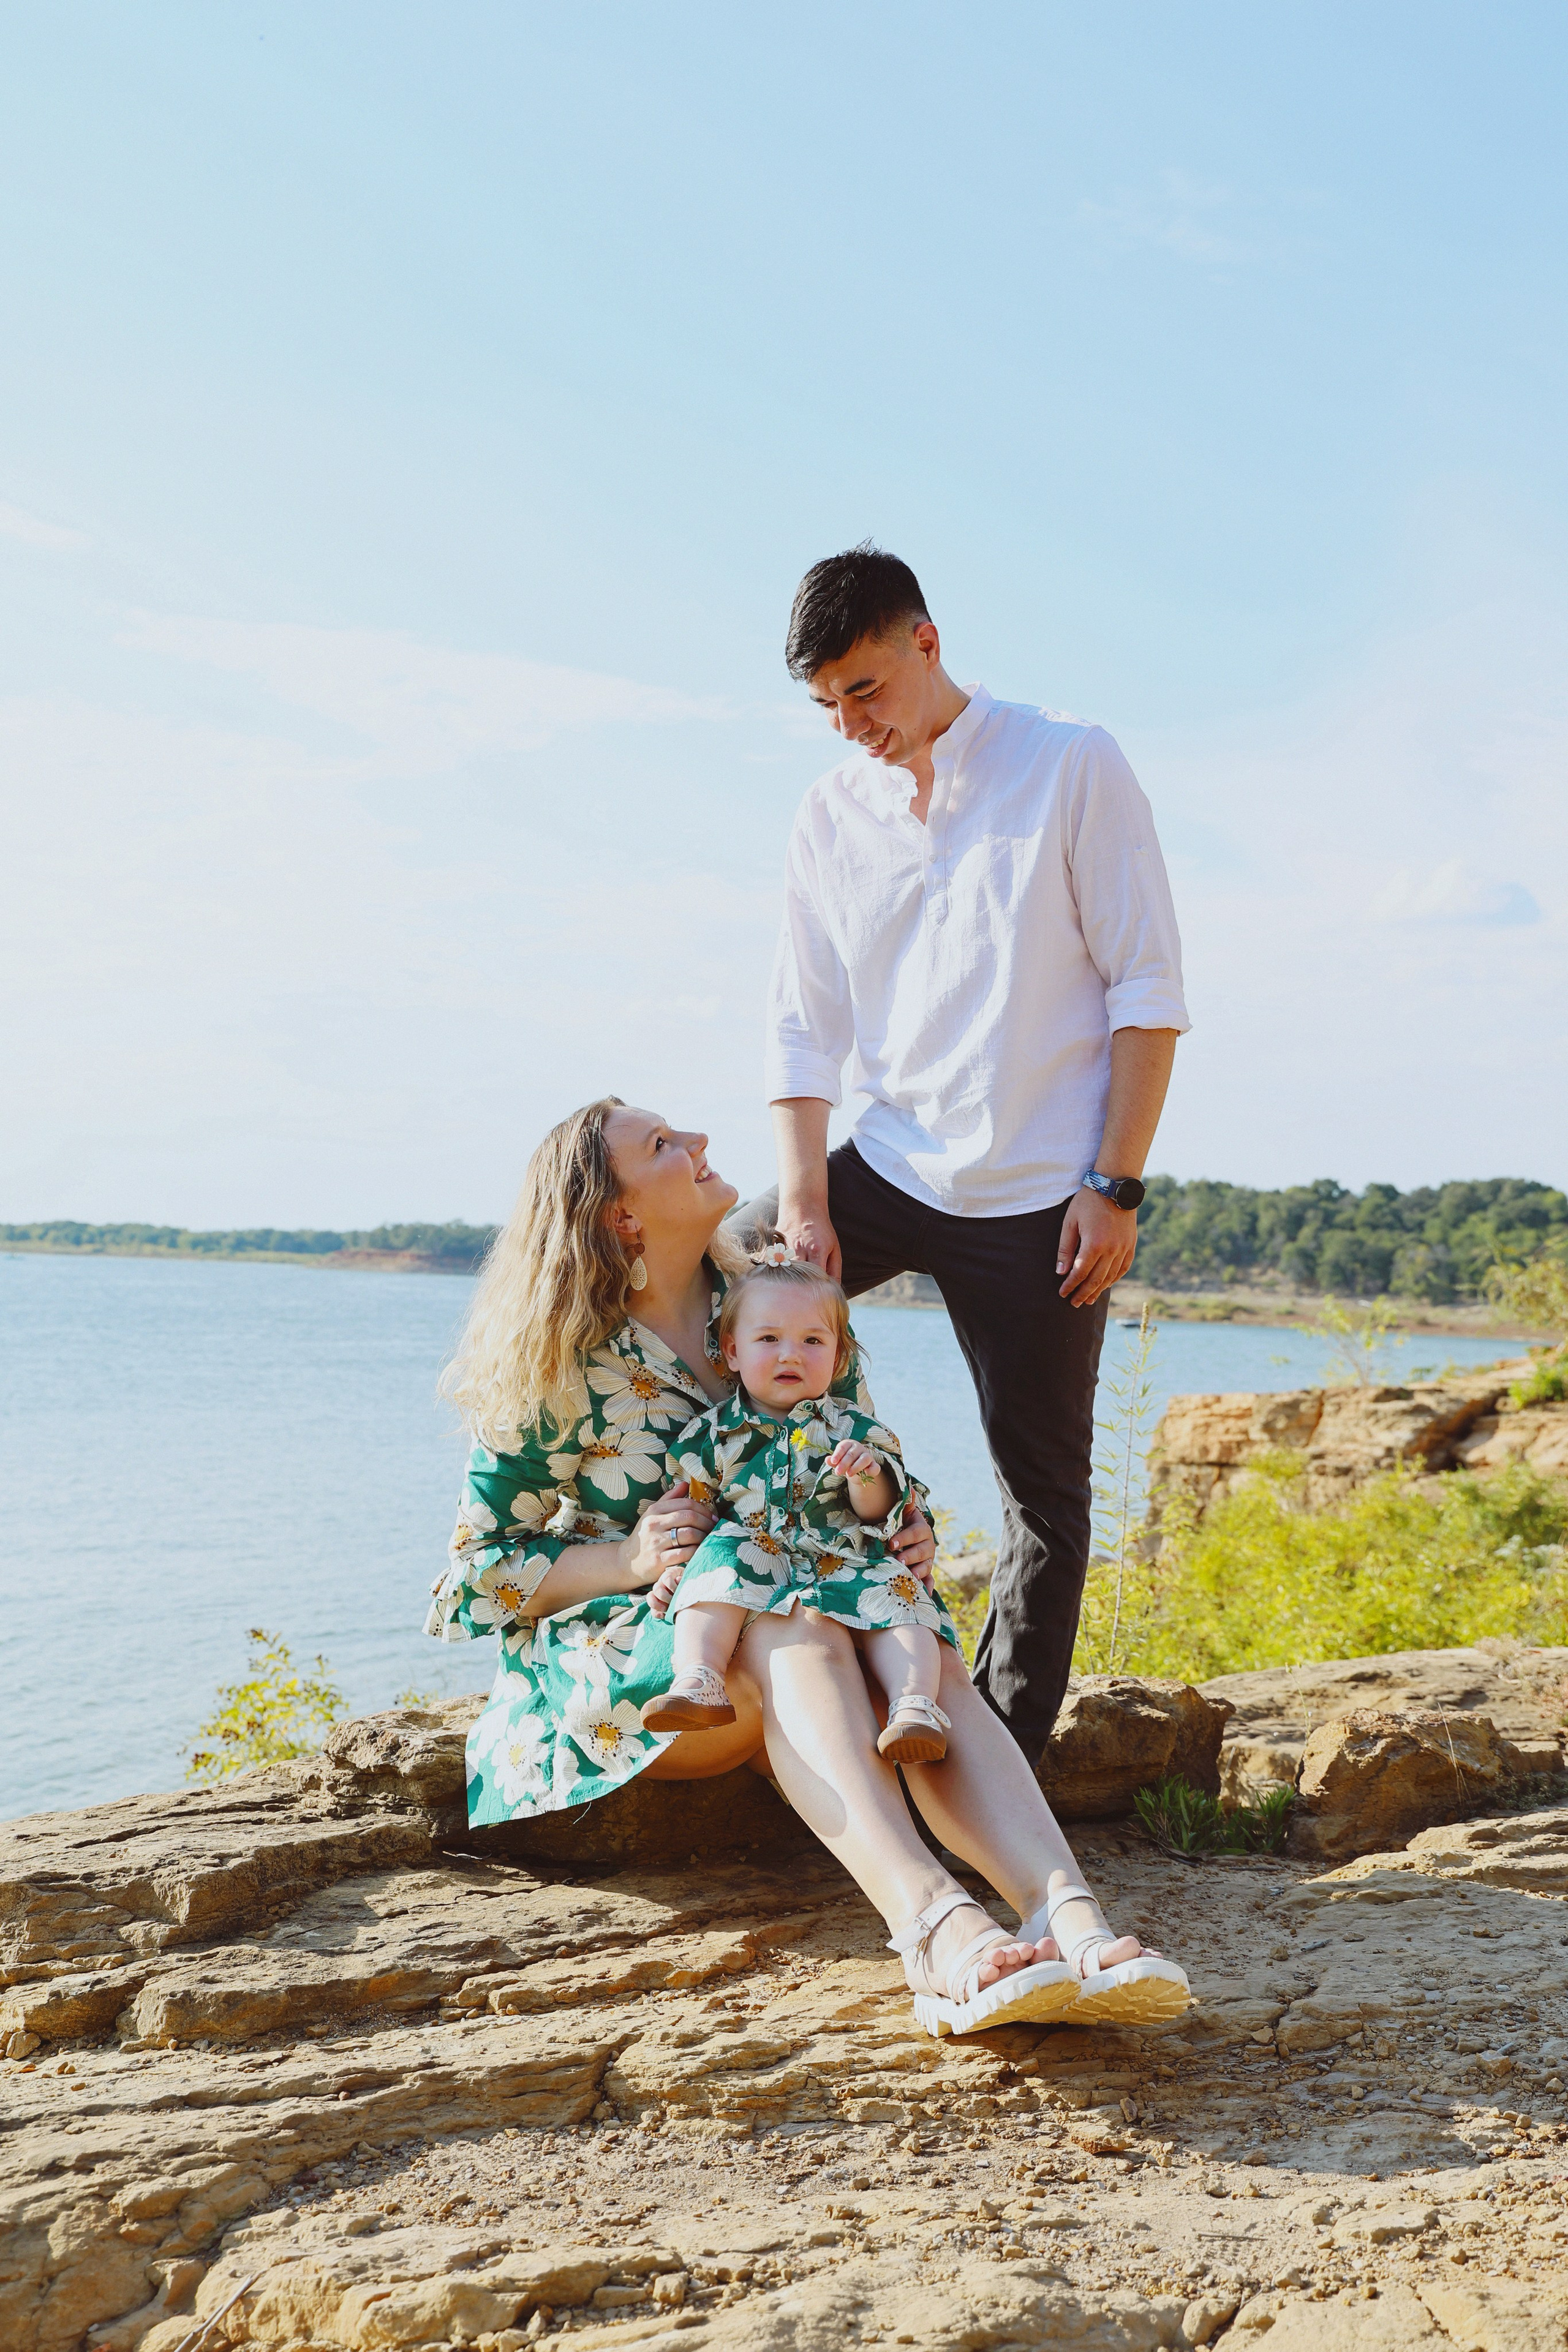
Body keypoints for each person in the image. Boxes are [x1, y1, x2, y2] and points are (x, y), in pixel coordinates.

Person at [428, 1095, 1189, 2038]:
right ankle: (935, 1929)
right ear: (620, 1216)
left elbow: (863, 1459)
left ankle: (1066, 1913)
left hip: (812, 1622)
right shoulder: (566, 1362)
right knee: (788, 1616)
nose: (700, 1139)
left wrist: (906, 1528)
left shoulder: (786, 1298)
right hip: (657, 1663)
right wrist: (624, 1557)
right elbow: (474, 1581)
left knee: (902, 1624)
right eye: (663, 1146)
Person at [755, 544, 1189, 1765]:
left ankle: (993, 1765)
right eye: (824, 705)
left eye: (863, 691)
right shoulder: (828, 813)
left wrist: (1111, 1187)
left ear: (923, 643)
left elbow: (1145, 992)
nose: (849, 725)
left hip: (1041, 1197)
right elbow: (801, 1021)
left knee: (1042, 1501)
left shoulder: (1067, 765)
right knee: (702, 1303)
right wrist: (801, 1197)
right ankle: (727, 1623)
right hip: (885, 1167)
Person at [640, 1252, 955, 1766]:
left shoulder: (857, 1430)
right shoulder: (712, 1434)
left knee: (898, 1596)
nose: (791, 1354)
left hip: (844, 1560)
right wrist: (681, 1572)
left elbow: (880, 1513)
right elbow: (693, 1513)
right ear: (733, 1352)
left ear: (837, 1358)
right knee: (720, 1560)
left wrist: (867, 1474)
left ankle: (914, 1706)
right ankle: (699, 1678)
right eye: (769, 1339)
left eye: (813, 1341)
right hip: (756, 1566)